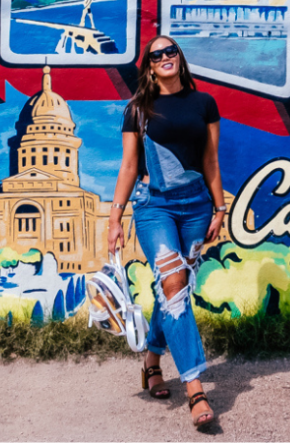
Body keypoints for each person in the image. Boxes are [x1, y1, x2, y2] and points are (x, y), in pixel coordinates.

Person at [107, 36, 226, 431]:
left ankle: (151, 363)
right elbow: (127, 167)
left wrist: (219, 206)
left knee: (173, 289)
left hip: (196, 207)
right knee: (173, 281)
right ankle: (195, 388)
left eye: (170, 51)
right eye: (156, 55)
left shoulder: (203, 103)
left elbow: (210, 159)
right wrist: (114, 219)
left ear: (179, 58)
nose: (164, 58)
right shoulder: (137, 110)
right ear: (149, 67)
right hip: (153, 205)